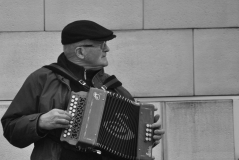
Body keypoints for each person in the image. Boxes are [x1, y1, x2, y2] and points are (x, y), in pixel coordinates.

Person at [1, 20, 165, 160]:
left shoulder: (113, 87)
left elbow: (128, 139)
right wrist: (39, 122)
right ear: (80, 52)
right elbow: (11, 129)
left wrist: (146, 137)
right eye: (101, 45)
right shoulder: (42, 79)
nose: (107, 49)